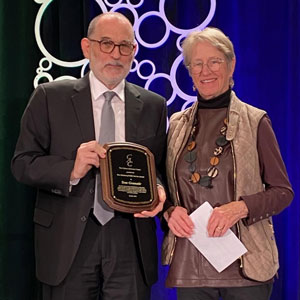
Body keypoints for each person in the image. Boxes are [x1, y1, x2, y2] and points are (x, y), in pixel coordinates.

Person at [11, 12, 167, 300]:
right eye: (106, 43)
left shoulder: (153, 105)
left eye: (124, 46)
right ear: (87, 47)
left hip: (130, 239)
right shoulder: (49, 97)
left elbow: (157, 166)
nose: (116, 54)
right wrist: (71, 168)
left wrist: (157, 188)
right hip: (67, 240)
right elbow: (22, 164)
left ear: (134, 51)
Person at [161, 27, 293, 300]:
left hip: (247, 265)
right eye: (197, 63)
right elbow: (164, 186)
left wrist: (240, 208)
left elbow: (282, 193)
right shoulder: (176, 124)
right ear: (190, 71)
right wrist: (169, 211)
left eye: (214, 61)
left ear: (231, 65)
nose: (205, 70)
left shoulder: (256, 121)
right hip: (191, 263)